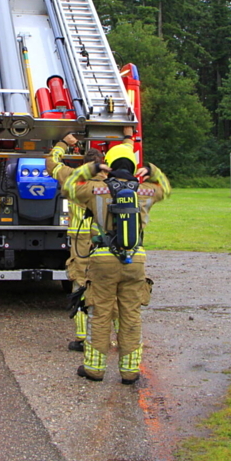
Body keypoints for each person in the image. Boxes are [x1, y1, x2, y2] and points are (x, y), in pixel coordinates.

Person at [62, 127, 171, 384]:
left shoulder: (96, 189)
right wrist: (153, 171)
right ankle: (130, 372)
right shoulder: (145, 191)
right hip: (135, 260)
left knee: (99, 313)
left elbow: (68, 187)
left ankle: (94, 369)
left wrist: (90, 169)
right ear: (133, 166)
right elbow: (165, 188)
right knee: (131, 314)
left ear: (108, 165)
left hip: (102, 260)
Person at [46, 134, 104, 352]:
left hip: (80, 242)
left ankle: (82, 337)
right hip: (105, 242)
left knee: (80, 284)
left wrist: (63, 143)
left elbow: (51, 163)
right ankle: (112, 335)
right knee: (108, 286)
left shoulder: (72, 177)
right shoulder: (111, 182)